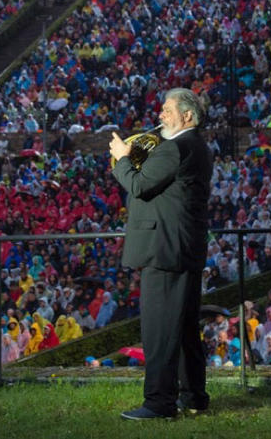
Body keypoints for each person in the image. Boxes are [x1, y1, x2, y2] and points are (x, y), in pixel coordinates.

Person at [109, 88, 212, 420]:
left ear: (187, 115)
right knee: (183, 329)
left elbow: (139, 185)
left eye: (167, 110)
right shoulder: (199, 147)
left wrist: (123, 157)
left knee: (158, 331)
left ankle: (159, 403)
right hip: (183, 247)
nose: (160, 115)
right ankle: (194, 396)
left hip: (164, 249)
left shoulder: (175, 148)